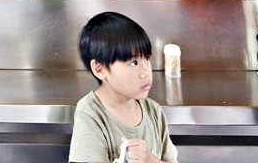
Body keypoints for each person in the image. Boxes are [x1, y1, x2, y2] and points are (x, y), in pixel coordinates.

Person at [69, 12, 178, 163]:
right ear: (100, 69)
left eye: (146, 58)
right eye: (133, 63)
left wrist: (150, 159)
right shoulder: (91, 113)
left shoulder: (153, 111)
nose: (146, 72)